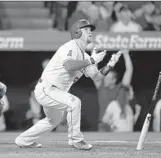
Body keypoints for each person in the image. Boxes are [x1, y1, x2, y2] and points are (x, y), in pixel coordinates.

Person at [15, 19, 124, 150]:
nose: (90, 32)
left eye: (90, 29)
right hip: (47, 89)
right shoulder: (70, 46)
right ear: (77, 32)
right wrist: (92, 60)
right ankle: (76, 140)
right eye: (86, 29)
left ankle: (23, 140)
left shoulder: (84, 55)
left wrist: (110, 64)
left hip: (56, 93)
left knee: (52, 121)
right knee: (74, 102)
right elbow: (68, 65)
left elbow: (97, 77)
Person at [95, 48, 133, 132]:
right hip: (103, 125)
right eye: (105, 78)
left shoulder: (120, 88)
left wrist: (126, 54)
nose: (105, 80)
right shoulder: (101, 87)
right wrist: (93, 53)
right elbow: (95, 72)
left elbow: (129, 71)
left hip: (118, 125)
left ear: (114, 80)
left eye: (108, 78)